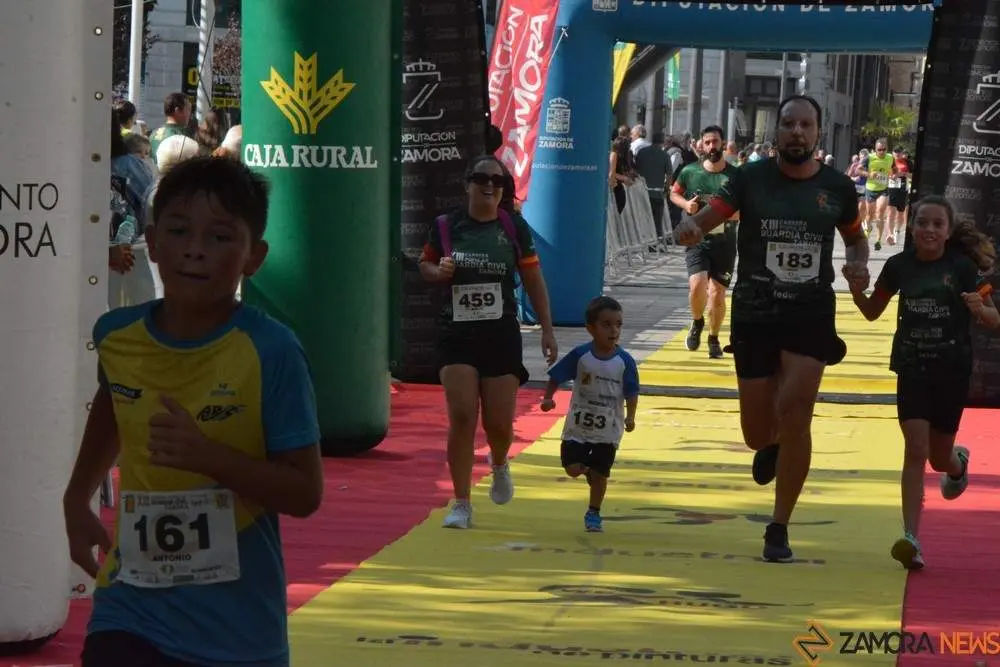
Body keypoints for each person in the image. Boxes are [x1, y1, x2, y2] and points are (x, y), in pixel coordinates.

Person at [63, 156, 324, 667]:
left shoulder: (272, 351)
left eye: (221, 237)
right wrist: (76, 497)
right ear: (153, 243)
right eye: (179, 231)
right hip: (129, 613)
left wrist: (208, 456)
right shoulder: (116, 337)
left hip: (238, 634)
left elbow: (305, 492)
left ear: (255, 256)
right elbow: (115, 407)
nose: (196, 250)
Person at [674, 95, 871, 562]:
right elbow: (710, 216)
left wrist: (858, 265)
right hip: (757, 311)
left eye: (806, 125)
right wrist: (693, 228)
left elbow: (856, 237)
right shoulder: (749, 178)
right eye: (789, 124)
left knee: (797, 410)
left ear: (818, 133)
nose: (797, 132)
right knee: (756, 432)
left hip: (810, 311)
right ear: (777, 132)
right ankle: (771, 445)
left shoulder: (838, 188)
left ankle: (779, 526)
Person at [845, 195, 998, 570]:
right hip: (911, 368)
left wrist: (981, 309)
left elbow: (995, 318)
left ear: (947, 232)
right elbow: (871, 311)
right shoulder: (898, 266)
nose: (928, 230)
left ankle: (957, 465)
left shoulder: (962, 269)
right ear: (911, 228)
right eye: (922, 223)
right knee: (915, 450)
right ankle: (911, 539)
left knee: (937, 455)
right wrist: (854, 287)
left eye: (936, 224)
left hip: (951, 370)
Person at [419, 155, 557, 530]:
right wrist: (438, 271)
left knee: (498, 424)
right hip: (457, 334)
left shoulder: (513, 228)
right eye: (481, 178)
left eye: (498, 181)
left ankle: (499, 462)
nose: (490, 186)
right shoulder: (446, 226)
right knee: (462, 416)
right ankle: (461, 501)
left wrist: (547, 328)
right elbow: (424, 264)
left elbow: (533, 280)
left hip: (500, 333)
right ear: (467, 184)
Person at [540, 296, 638, 533]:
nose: (613, 330)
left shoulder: (625, 361)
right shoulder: (581, 355)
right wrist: (548, 397)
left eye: (618, 324)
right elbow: (557, 374)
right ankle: (586, 472)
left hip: (608, 430)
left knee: (601, 473)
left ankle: (594, 512)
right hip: (578, 426)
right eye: (606, 324)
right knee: (572, 468)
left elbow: (631, 391)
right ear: (590, 329)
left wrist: (631, 416)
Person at [670, 125, 740, 359]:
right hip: (697, 240)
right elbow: (674, 192)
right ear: (701, 144)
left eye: (716, 142)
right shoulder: (690, 171)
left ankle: (713, 337)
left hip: (725, 241)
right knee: (697, 285)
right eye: (708, 142)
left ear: (723, 143)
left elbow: (746, 206)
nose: (712, 146)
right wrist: (686, 205)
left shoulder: (735, 175)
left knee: (718, 293)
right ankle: (698, 322)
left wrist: (734, 214)